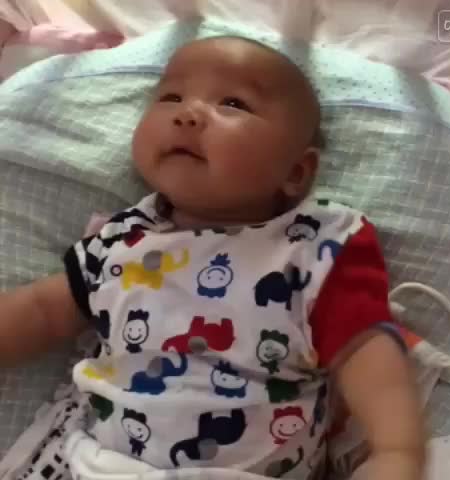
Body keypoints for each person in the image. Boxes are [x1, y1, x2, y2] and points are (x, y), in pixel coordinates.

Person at [0, 36, 425, 480]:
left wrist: (396, 450)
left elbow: (364, 349)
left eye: (233, 104)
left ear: (296, 172)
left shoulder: (313, 249)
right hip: (102, 467)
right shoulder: (120, 241)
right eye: (170, 97)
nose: (187, 114)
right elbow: (43, 311)